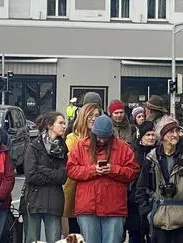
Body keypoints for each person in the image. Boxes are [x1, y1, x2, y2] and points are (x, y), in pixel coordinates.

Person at [135, 116, 183, 243]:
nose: (175, 135)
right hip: (159, 220)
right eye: (170, 132)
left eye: (177, 131)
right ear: (162, 135)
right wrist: (147, 212)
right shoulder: (152, 159)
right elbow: (141, 188)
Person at [68, 115, 140, 243]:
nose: (101, 140)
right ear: (93, 133)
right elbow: (71, 170)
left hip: (113, 208)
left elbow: (133, 171)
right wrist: (93, 170)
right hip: (88, 207)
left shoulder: (123, 148)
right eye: (98, 137)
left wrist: (113, 170)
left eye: (105, 137)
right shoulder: (81, 146)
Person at [24, 112, 69, 243]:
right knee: (32, 240)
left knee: (54, 239)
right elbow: (31, 175)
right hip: (34, 200)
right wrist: (52, 175)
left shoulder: (62, 148)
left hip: (54, 201)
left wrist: (42, 169)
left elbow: (62, 177)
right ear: (50, 125)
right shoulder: (34, 146)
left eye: (64, 123)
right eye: (60, 123)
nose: (64, 126)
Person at [64, 103, 101, 235]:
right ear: (83, 117)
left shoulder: (102, 139)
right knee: (76, 234)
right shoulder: (72, 139)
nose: (93, 118)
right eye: (90, 115)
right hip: (74, 192)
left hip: (97, 194)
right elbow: (72, 166)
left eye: (97, 115)